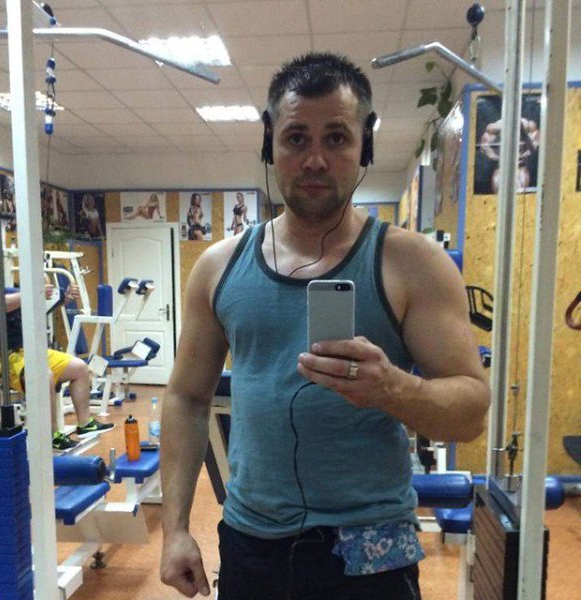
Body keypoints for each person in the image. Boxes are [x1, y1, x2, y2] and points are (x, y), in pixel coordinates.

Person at [160, 52, 490, 600]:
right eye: (296, 138)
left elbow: (472, 412)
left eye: (336, 138)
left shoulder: (413, 264)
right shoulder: (218, 267)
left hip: (372, 548)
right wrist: (174, 529)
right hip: (252, 545)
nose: (315, 159)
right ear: (270, 144)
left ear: (365, 145)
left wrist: (392, 388)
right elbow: (185, 398)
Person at [0, 239, 114, 450]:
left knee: (79, 368)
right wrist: (31, 292)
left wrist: (63, 299)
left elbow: (28, 308)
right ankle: (51, 435)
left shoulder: (1, 287)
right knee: (44, 376)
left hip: (25, 350)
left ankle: (85, 424)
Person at [478, 117, 540, 194]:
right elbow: (484, 146)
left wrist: (523, 155)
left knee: (520, 193)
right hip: (502, 166)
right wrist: (498, 157)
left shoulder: (527, 125)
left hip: (520, 165)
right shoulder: (495, 127)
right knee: (499, 193)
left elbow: (536, 143)